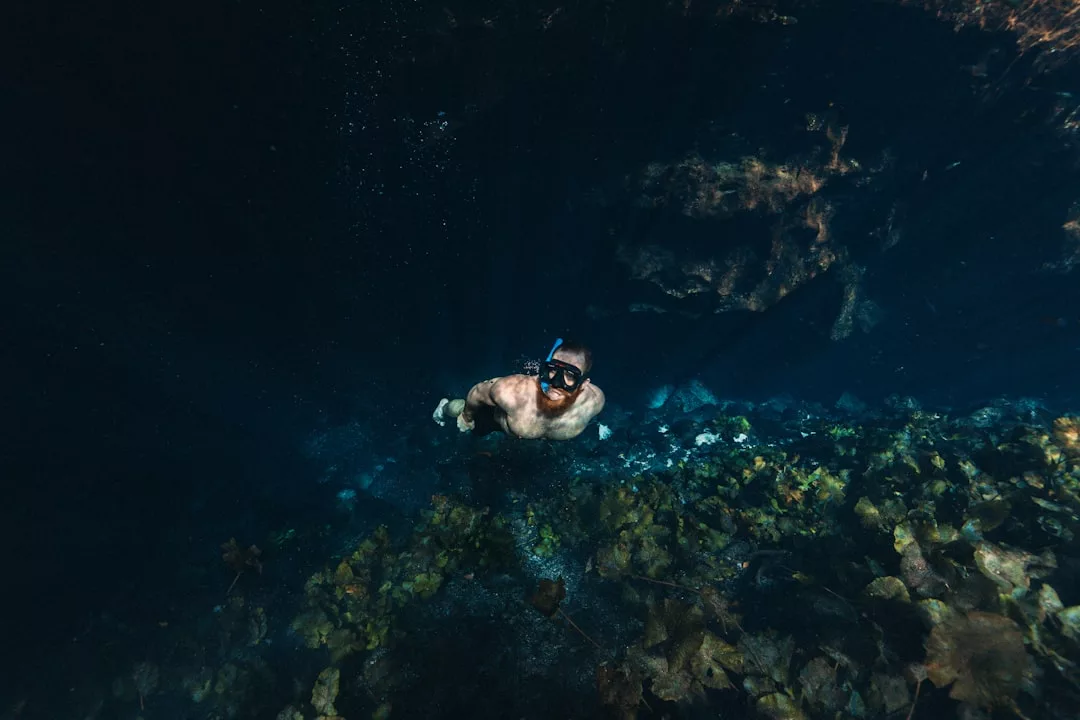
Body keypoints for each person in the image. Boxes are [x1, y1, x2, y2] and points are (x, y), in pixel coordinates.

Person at [433, 338, 605, 440]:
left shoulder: (594, 401)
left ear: (583, 384)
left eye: (570, 376)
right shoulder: (512, 391)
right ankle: (443, 407)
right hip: (496, 421)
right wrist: (467, 416)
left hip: (527, 435)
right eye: (552, 370)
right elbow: (478, 391)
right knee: (459, 410)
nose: (557, 382)